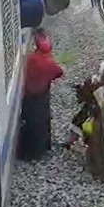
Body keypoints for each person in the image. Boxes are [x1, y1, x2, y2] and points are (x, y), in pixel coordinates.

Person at [17, 29, 64, 161]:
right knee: (42, 122)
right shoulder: (49, 63)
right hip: (41, 96)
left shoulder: (30, 59)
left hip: (28, 96)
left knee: (29, 122)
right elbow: (59, 72)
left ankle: (27, 151)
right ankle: (42, 148)